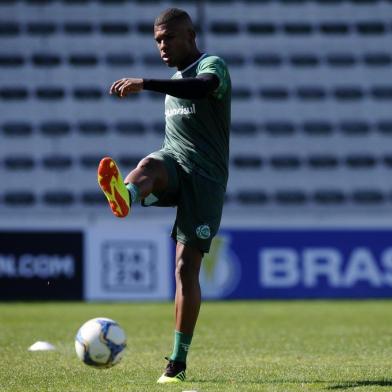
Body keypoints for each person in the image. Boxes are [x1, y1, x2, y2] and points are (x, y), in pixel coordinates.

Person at [97, 7, 231, 384]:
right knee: (150, 165)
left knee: (184, 270)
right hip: (175, 165)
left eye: (169, 38)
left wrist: (147, 83)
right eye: (157, 40)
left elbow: (202, 88)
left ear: (190, 35)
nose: (162, 46)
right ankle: (125, 193)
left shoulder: (213, 66)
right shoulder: (173, 81)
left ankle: (177, 361)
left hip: (204, 181)